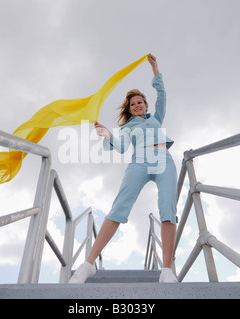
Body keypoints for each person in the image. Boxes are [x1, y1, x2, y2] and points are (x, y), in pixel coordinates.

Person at [69, 54, 178, 283]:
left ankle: (166, 270)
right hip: (139, 161)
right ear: (129, 109)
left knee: (168, 206)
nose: (137, 105)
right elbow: (119, 147)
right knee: (120, 207)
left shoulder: (157, 117)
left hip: (163, 160)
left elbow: (163, 96)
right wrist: (108, 134)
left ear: (145, 105)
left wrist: (155, 68)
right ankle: (88, 265)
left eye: (140, 102)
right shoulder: (129, 127)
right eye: (133, 104)